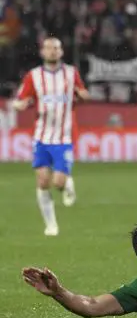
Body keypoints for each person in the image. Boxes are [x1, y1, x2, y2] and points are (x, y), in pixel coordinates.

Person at [10, 37, 90, 236]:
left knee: (58, 183)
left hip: (63, 137)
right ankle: (51, 225)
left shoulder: (71, 73)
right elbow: (20, 100)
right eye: (48, 48)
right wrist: (19, 105)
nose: (52, 51)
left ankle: (67, 183)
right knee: (43, 182)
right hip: (41, 137)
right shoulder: (34, 76)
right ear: (42, 52)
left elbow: (84, 93)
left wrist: (83, 95)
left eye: (56, 48)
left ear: (61, 52)